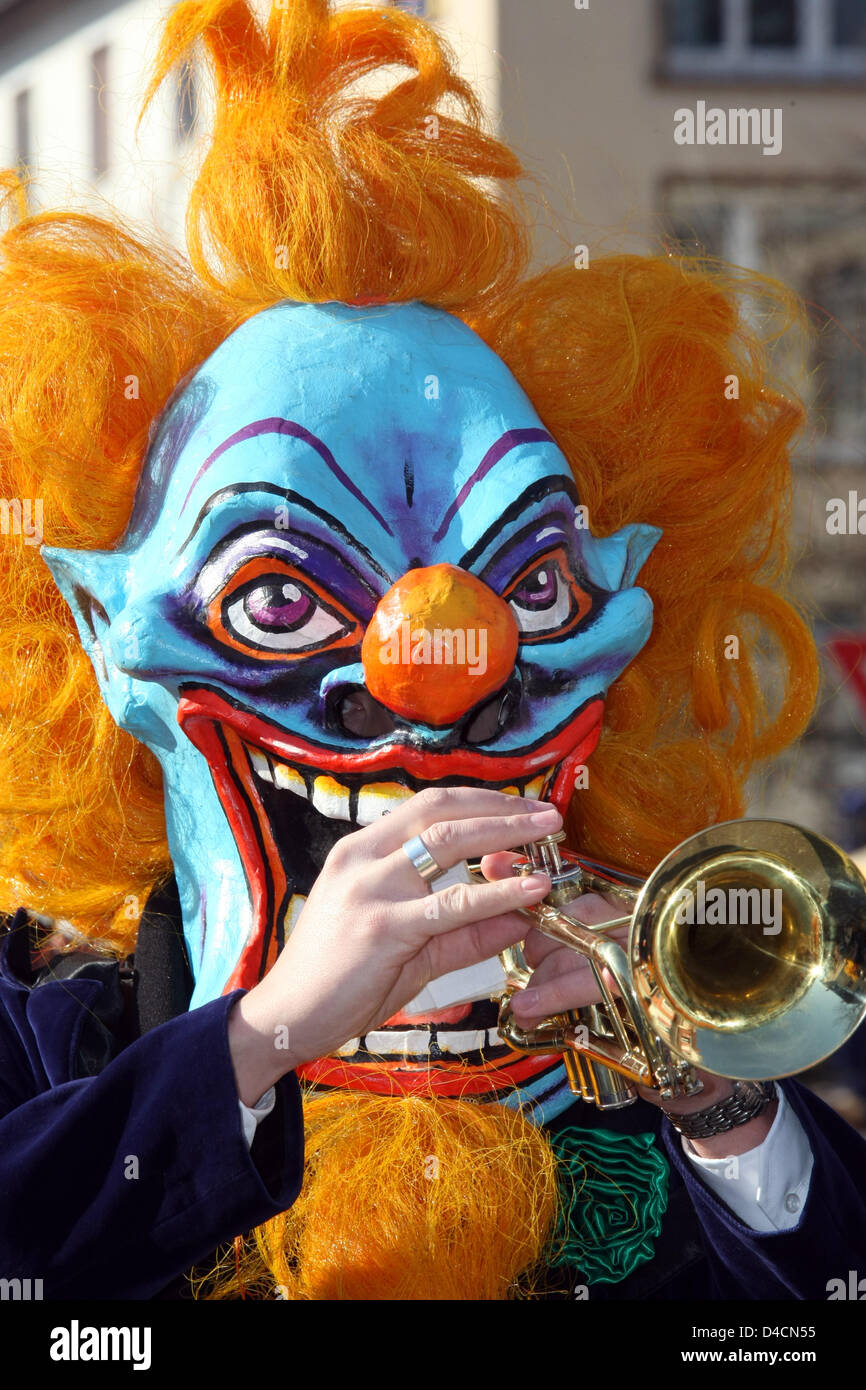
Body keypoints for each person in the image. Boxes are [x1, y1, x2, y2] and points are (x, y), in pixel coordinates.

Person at [1, 0, 865, 1301]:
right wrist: (263, 1032)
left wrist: (718, 1105)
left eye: (528, 582)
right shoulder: (44, 1041)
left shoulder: (664, 1086)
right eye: (279, 598)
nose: (434, 668)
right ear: (99, 628)